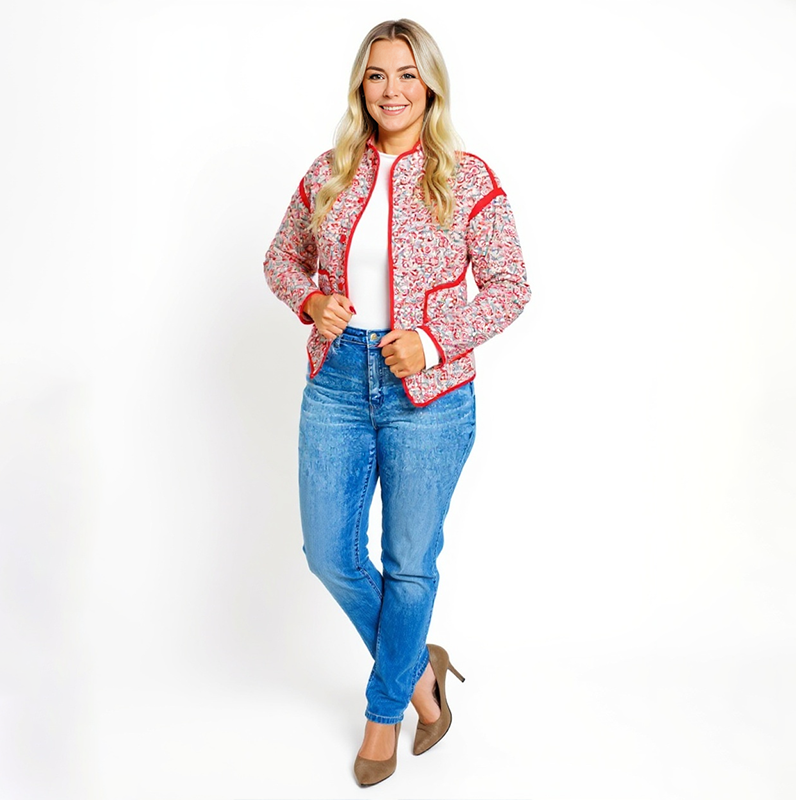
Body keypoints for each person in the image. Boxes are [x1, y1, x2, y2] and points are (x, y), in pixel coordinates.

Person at [264, 18, 530, 787]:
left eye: (407, 74)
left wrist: (435, 342)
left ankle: (386, 713)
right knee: (330, 554)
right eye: (377, 74)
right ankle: (420, 670)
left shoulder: (467, 177)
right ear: (361, 85)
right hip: (339, 381)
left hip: (431, 395)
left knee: (410, 563)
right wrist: (313, 302)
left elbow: (511, 286)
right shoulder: (330, 171)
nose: (392, 90)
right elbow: (280, 259)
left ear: (431, 85)